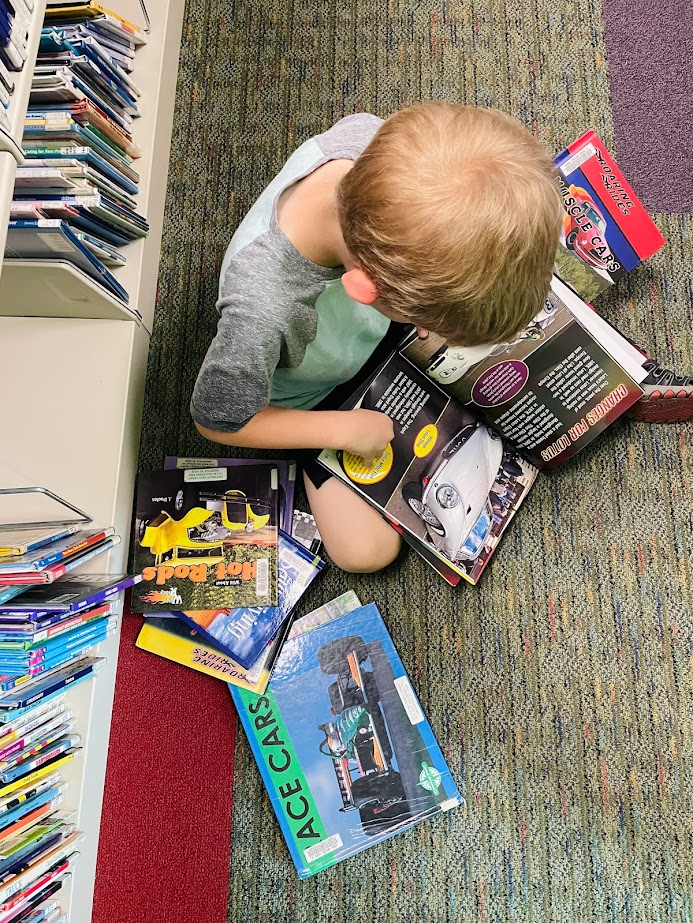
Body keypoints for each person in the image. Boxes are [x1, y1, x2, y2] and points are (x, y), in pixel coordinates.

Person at [190, 103, 691, 572]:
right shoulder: (262, 309)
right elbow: (218, 420)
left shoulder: (377, 142)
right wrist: (340, 432)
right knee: (366, 553)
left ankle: (623, 373)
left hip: (382, 317)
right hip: (321, 394)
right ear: (366, 289)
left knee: (504, 277)